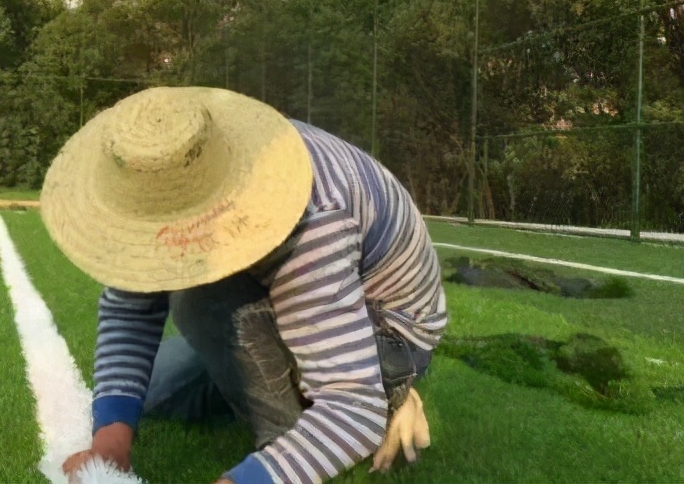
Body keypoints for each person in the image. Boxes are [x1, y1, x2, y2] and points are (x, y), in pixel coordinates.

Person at [39, 87, 448, 484]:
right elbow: (128, 307)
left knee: (197, 302)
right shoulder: (177, 170)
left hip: (387, 333)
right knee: (155, 390)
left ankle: (365, 398)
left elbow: (354, 409)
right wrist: (110, 446)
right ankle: (310, 392)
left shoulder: (308, 212)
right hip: (300, 295)